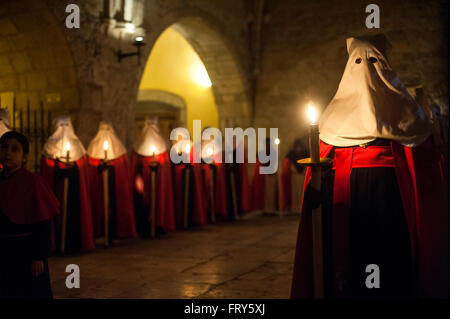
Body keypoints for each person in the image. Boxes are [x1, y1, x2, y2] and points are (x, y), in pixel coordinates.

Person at [291, 35, 448, 299]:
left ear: (385, 64)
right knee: (347, 268)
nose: (366, 67)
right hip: (347, 200)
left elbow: (424, 170)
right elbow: (322, 168)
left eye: (373, 60)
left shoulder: (406, 114)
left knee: (390, 265)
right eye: (358, 60)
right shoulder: (332, 119)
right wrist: (319, 189)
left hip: (391, 202)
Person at [0, 131, 59, 299]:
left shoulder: (34, 182)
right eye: (4, 148)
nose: (8, 153)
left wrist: (39, 256)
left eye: (14, 149)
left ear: (24, 156)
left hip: (26, 251)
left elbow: (43, 222)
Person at [40, 116, 94, 253]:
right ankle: (57, 244)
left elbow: (82, 169)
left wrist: (73, 169)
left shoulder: (77, 145)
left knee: (74, 216)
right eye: (60, 126)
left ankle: (74, 244)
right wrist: (57, 168)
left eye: (66, 125)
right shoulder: (49, 146)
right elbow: (46, 171)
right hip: (57, 191)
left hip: (74, 192)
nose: (64, 129)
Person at [87, 121, 137, 242]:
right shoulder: (94, 146)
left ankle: (115, 231)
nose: (105, 133)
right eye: (103, 129)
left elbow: (122, 171)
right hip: (100, 188)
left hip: (115, 187)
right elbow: (90, 169)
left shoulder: (118, 147)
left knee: (115, 206)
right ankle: (101, 231)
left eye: (108, 129)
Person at [130, 118, 176, 236]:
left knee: (158, 200)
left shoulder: (163, 147)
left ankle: (158, 224)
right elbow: (135, 166)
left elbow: (166, 168)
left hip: (158, 183)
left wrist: (158, 168)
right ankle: (144, 226)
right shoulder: (138, 146)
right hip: (142, 183)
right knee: (143, 203)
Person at [281, 137, 308, 213]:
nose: (298, 148)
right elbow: (287, 164)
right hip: (294, 176)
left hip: (302, 176)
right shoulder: (291, 154)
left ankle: (301, 207)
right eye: (297, 146)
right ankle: (295, 208)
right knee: (294, 193)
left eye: (300, 146)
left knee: (302, 192)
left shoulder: (305, 153)